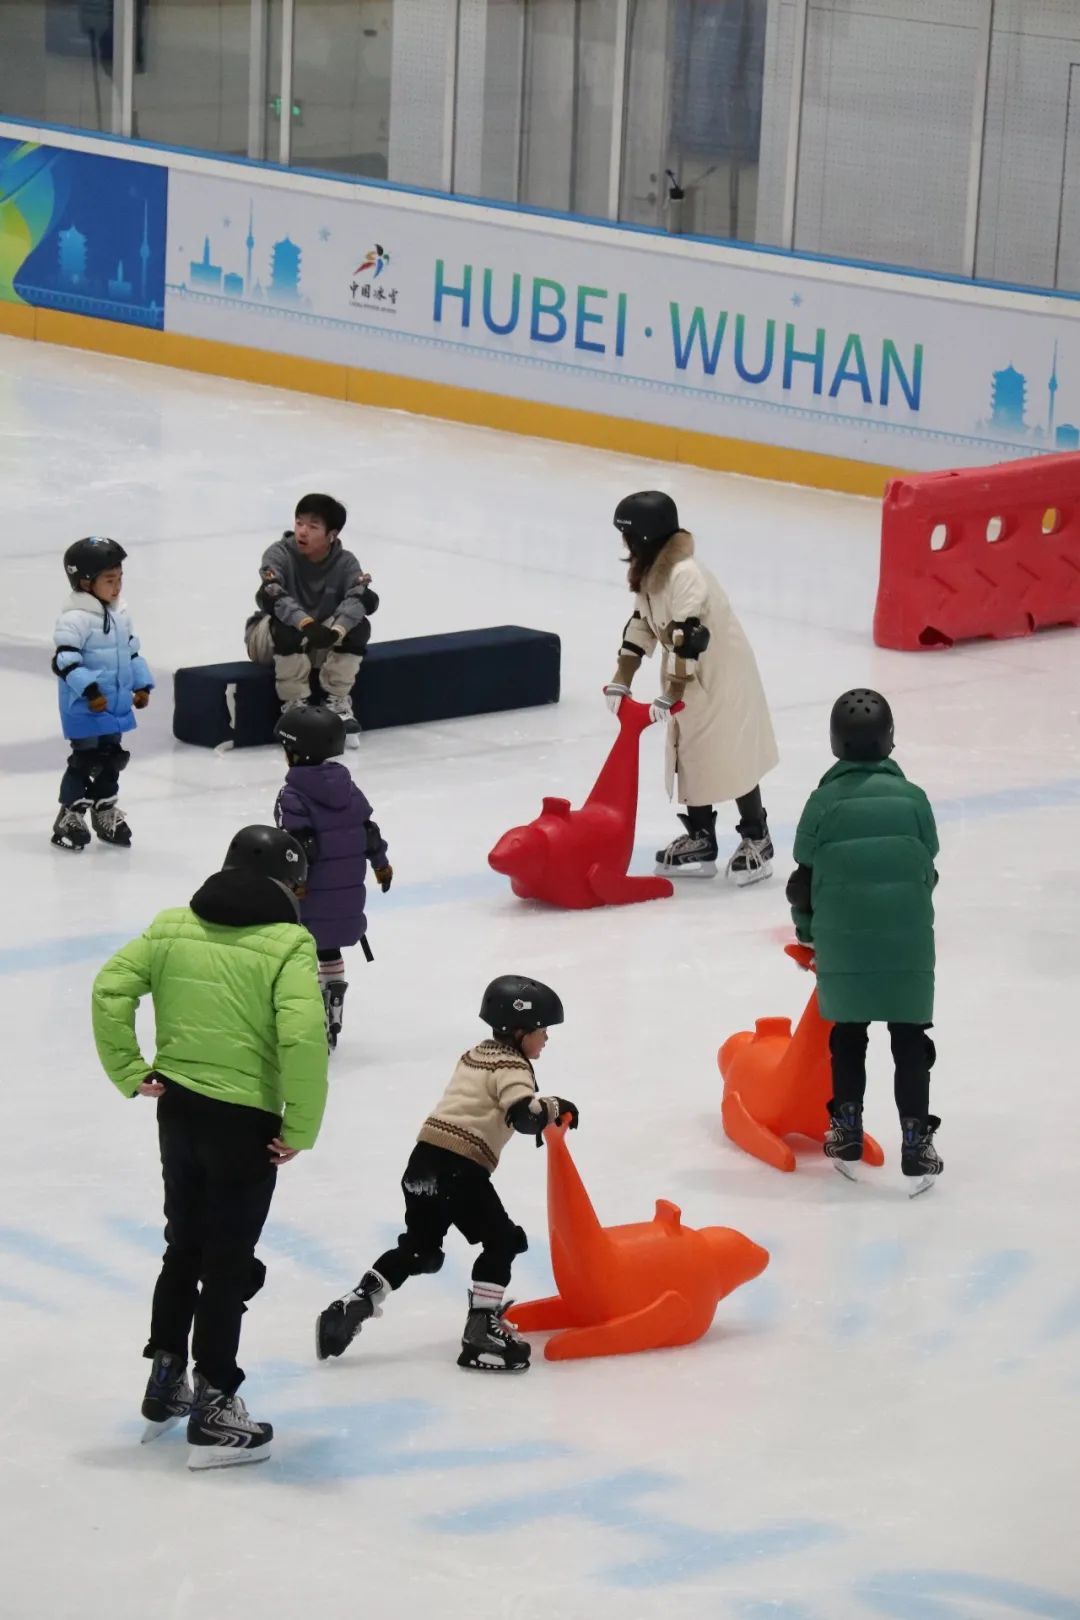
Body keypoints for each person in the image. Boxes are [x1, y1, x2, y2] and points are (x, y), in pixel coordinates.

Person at [91, 826, 329, 1469]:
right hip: (244, 1119)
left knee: (184, 1245)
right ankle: (216, 1402)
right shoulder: (288, 945)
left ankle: (166, 1380)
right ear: (287, 884)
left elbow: (110, 988)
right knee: (228, 1261)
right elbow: (304, 1037)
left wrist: (126, 1067)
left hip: (179, 1110)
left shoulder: (171, 927)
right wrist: (300, 1127)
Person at [315, 976, 578, 1373]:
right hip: (460, 1168)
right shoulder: (513, 1065)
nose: (546, 1039)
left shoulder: (475, 1054)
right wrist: (554, 1106)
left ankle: (357, 1301)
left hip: (422, 1163)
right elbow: (522, 1114)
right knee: (503, 1241)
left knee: (420, 1250)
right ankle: (481, 1328)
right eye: (542, 1030)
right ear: (519, 1030)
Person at [785, 689, 943, 1181]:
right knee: (910, 1041)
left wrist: (810, 936)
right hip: (908, 944)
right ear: (889, 740)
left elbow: (802, 881)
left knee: (848, 1037)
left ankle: (847, 1127)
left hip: (844, 942)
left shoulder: (822, 803)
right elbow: (927, 863)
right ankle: (917, 1140)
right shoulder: (914, 799)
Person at [603, 491, 779, 884]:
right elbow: (642, 624)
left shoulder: (684, 574)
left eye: (626, 535)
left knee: (731, 752)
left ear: (644, 535)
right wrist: (621, 678)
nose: (623, 543)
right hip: (686, 673)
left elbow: (688, 634)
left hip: (719, 671)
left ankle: (758, 836)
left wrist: (675, 691)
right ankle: (701, 835)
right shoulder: (649, 571)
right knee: (691, 753)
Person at [273, 703, 393, 1049]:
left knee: (299, 952)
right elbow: (369, 832)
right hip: (347, 896)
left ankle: (308, 1015)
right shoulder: (350, 790)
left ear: (293, 753)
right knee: (328, 948)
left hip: (307, 896)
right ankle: (334, 997)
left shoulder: (292, 795)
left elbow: (294, 847)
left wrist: (289, 885)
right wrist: (381, 865)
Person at [244, 493, 378, 737]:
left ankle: (337, 701)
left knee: (359, 626)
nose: (302, 531)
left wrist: (335, 631)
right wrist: (305, 623)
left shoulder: (346, 563)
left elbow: (359, 597)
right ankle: (294, 706)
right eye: (299, 523)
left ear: (332, 535)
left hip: (318, 642)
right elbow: (275, 595)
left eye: (313, 526)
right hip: (269, 639)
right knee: (287, 623)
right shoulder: (278, 554)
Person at [50, 536, 153, 851]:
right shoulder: (74, 619)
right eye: (110, 580)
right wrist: (91, 691)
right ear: (85, 582)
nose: (117, 586)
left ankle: (104, 810)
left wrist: (141, 684)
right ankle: (70, 814)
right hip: (85, 707)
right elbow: (65, 661)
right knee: (84, 760)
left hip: (116, 706)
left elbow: (131, 653)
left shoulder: (120, 614)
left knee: (112, 760)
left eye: (120, 578)